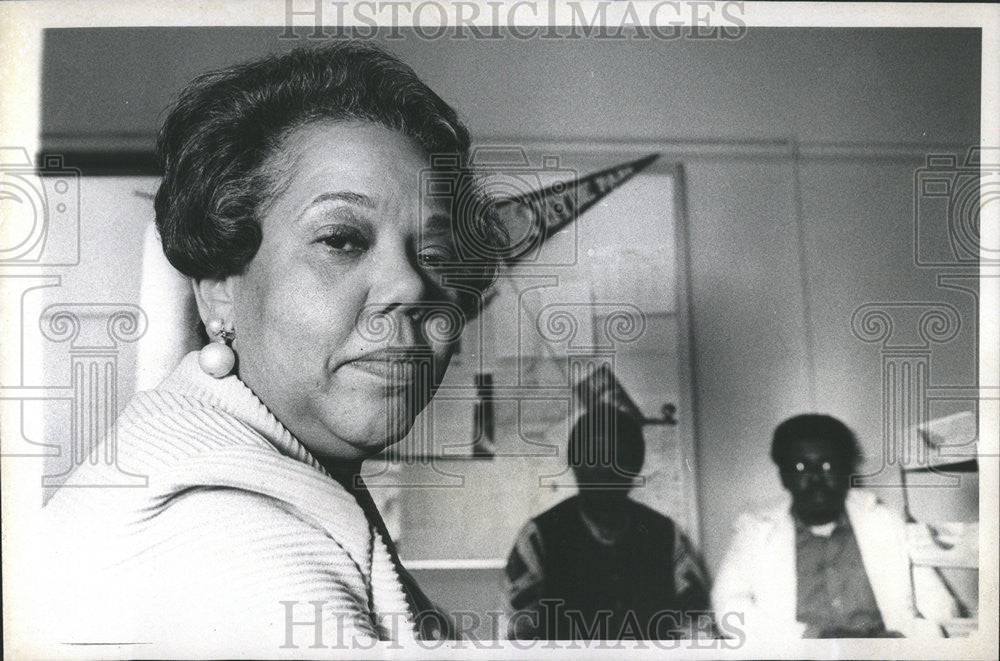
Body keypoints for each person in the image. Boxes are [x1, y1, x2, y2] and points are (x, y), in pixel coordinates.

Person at [41, 42, 506, 651]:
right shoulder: (229, 546)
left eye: (436, 254)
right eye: (341, 239)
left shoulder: (251, 475)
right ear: (219, 294)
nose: (411, 286)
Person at [711, 414, 954, 639]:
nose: (816, 478)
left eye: (827, 466)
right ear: (783, 476)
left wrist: (907, 639)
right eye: (800, 467)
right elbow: (727, 604)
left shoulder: (885, 521)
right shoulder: (756, 529)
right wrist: (809, 637)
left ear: (846, 470)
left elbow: (938, 603)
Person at [504, 406, 712, 640]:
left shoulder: (665, 534)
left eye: (618, 462)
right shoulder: (538, 537)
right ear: (574, 464)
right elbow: (518, 637)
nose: (604, 473)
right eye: (593, 460)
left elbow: (697, 626)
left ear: (635, 468)